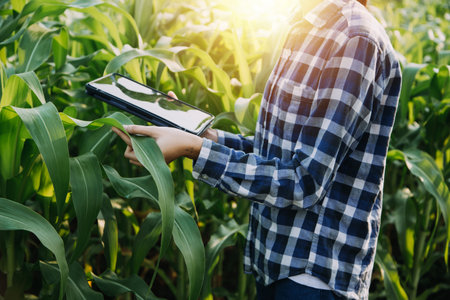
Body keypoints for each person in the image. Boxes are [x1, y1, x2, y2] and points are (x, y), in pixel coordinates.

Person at [112, 0, 401, 298]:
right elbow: (277, 152)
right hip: (274, 262)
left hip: (312, 278)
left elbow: (305, 180)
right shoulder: (306, 27)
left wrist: (194, 149)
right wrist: (202, 135)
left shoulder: (355, 41)